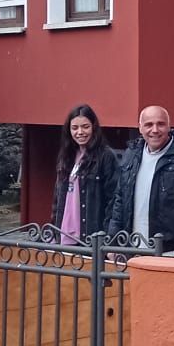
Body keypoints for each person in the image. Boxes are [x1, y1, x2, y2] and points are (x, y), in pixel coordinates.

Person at [107, 105, 174, 257]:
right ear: (140, 128)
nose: (155, 130)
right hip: (132, 249)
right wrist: (113, 242)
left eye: (160, 124)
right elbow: (119, 201)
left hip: (172, 251)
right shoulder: (131, 155)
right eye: (149, 125)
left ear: (169, 126)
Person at [51, 103, 116, 243]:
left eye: (85, 127)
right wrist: (53, 230)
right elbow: (57, 198)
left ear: (94, 127)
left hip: (90, 236)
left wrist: (108, 236)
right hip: (64, 235)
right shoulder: (66, 156)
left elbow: (113, 200)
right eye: (75, 128)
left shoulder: (106, 156)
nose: (80, 132)